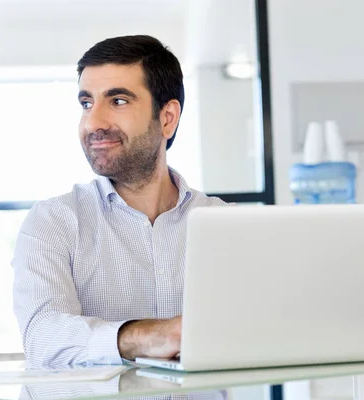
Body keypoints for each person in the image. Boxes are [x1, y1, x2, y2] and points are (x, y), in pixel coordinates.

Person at [12, 35, 226, 368]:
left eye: (119, 101)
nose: (93, 122)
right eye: (86, 103)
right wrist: (143, 337)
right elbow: (42, 337)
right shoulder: (53, 221)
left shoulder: (223, 224)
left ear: (167, 117)